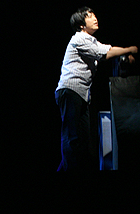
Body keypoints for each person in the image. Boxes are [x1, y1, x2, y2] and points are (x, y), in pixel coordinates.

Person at [55, 6, 137, 171]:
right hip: (70, 90)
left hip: (82, 94)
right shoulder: (79, 38)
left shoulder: (92, 41)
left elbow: (108, 50)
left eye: (94, 15)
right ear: (81, 25)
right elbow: (106, 53)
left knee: (83, 140)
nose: (95, 18)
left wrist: (123, 56)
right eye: (90, 16)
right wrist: (130, 49)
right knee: (72, 137)